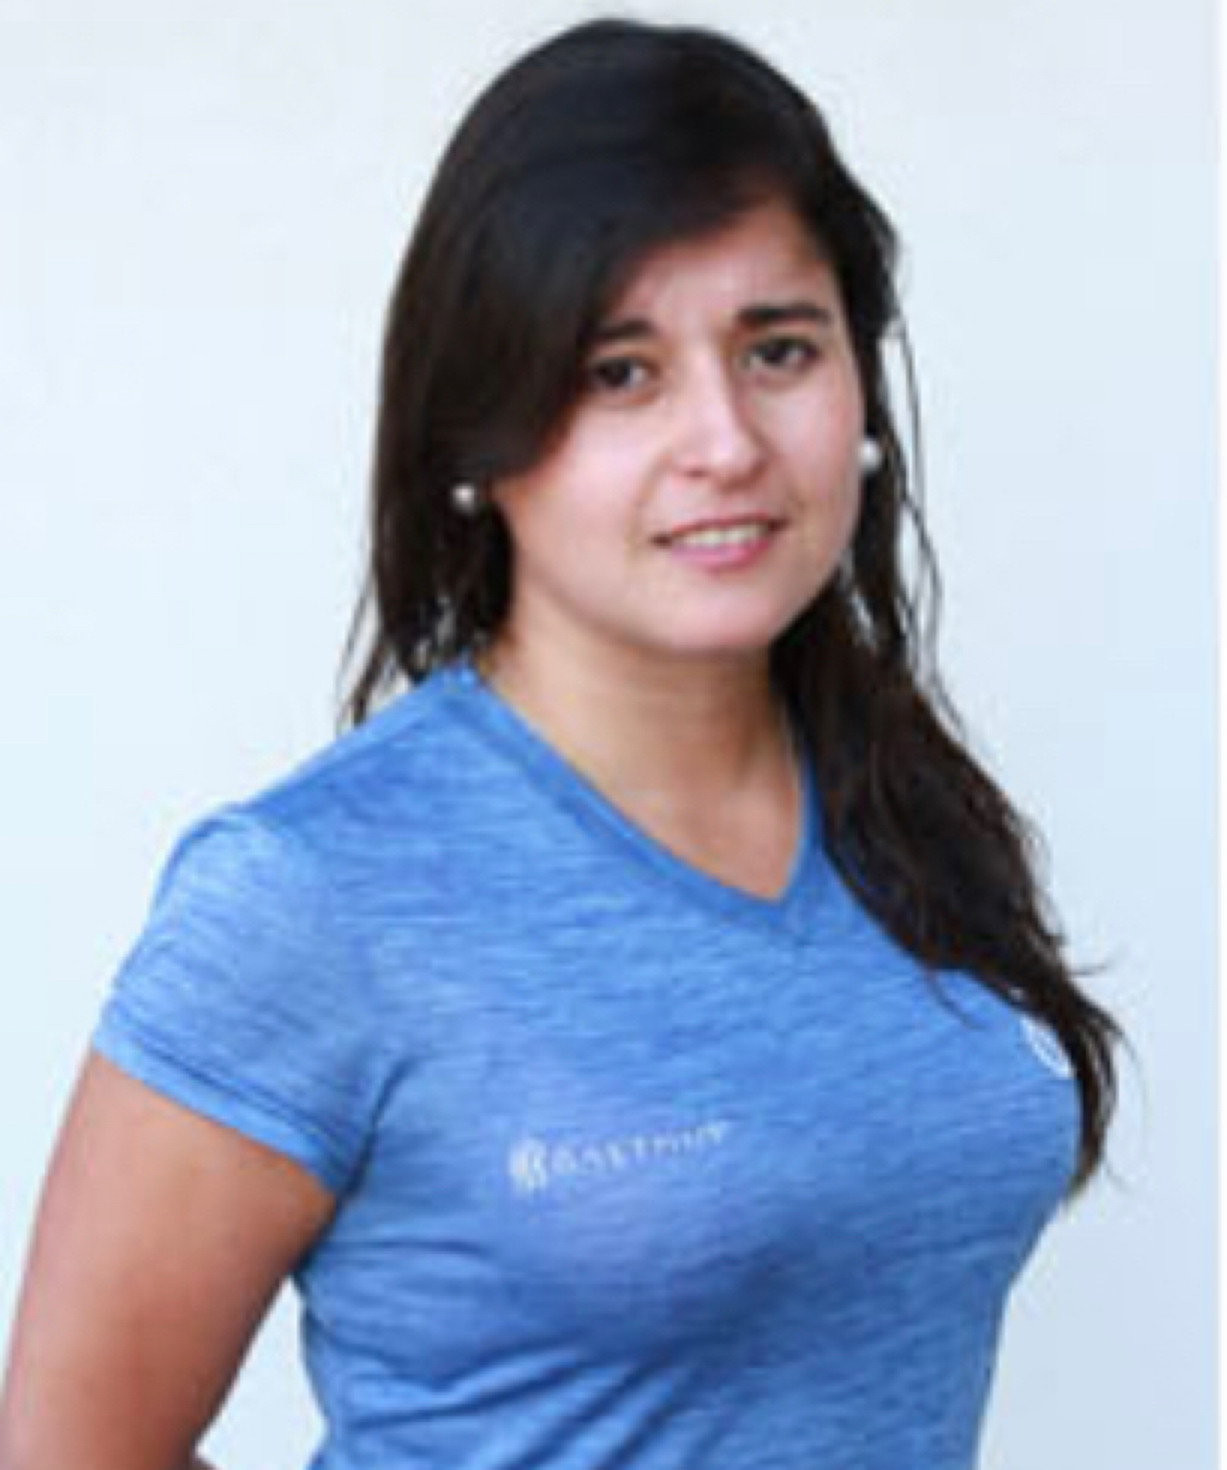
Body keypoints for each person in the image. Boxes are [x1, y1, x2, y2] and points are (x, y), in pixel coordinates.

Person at [0, 17, 1120, 1470]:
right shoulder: (308, 898)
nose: (726, 440)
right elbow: (69, 1449)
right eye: (620, 373)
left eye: (780, 349)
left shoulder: (907, 804)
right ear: (482, 430)